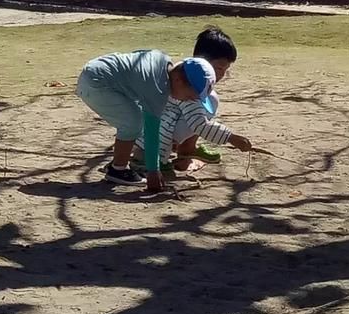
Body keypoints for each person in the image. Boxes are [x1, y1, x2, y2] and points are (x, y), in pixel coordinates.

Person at [76, 30, 251, 193]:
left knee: (134, 120)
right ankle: (118, 169)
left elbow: (139, 55)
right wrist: (154, 171)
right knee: (133, 122)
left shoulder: (164, 63)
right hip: (97, 83)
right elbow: (152, 132)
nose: (190, 99)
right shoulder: (157, 90)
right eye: (190, 95)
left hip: (97, 74)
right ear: (178, 80)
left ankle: (120, 164)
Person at [131, 27, 239, 176]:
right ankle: (153, 157)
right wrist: (231, 138)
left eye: (225, 70)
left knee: (207, 101)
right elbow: (199, 124)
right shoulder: (187, 85)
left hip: (157, 125)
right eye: (219, 68)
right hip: (149, 130)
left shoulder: (183, 71)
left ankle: (185, 148)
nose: (220, 75)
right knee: (207, 103)